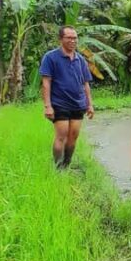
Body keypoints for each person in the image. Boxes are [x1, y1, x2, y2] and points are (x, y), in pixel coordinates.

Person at [40, 26, 94, 169]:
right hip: (59, 103)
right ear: (61, 39)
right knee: (61, 136)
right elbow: (46, 83)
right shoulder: (50, 57)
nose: (73, 40)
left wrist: (90, 104)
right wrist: (48, 106)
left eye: (75, 38)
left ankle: (66, 165)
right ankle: (58, 168)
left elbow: (86, 84)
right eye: (69, 37)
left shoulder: (80, 59)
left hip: (78, 104)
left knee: (73, 137)